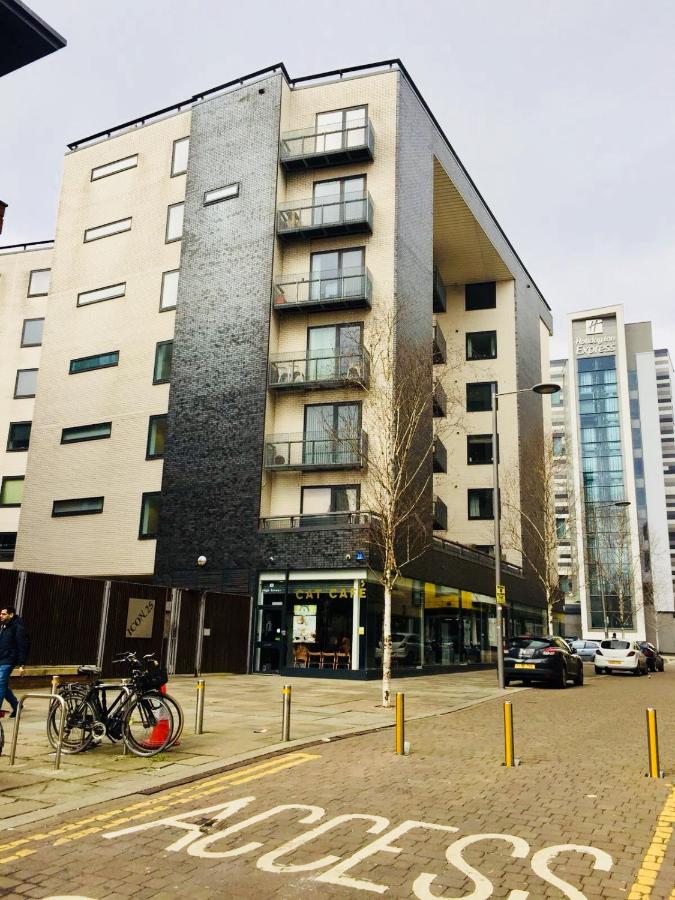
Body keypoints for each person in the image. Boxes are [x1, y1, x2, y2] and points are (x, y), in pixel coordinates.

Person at [0, 606, 29, 717]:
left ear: (11, 615)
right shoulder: (4, 626)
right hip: (2, 658)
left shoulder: (18, 627)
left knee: (0, 683)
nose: (1, 616)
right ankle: (17, 706)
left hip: (9, 660)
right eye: (1, 614)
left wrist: (22, 664)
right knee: (3, 685)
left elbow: (23, 646)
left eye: (4, 614)